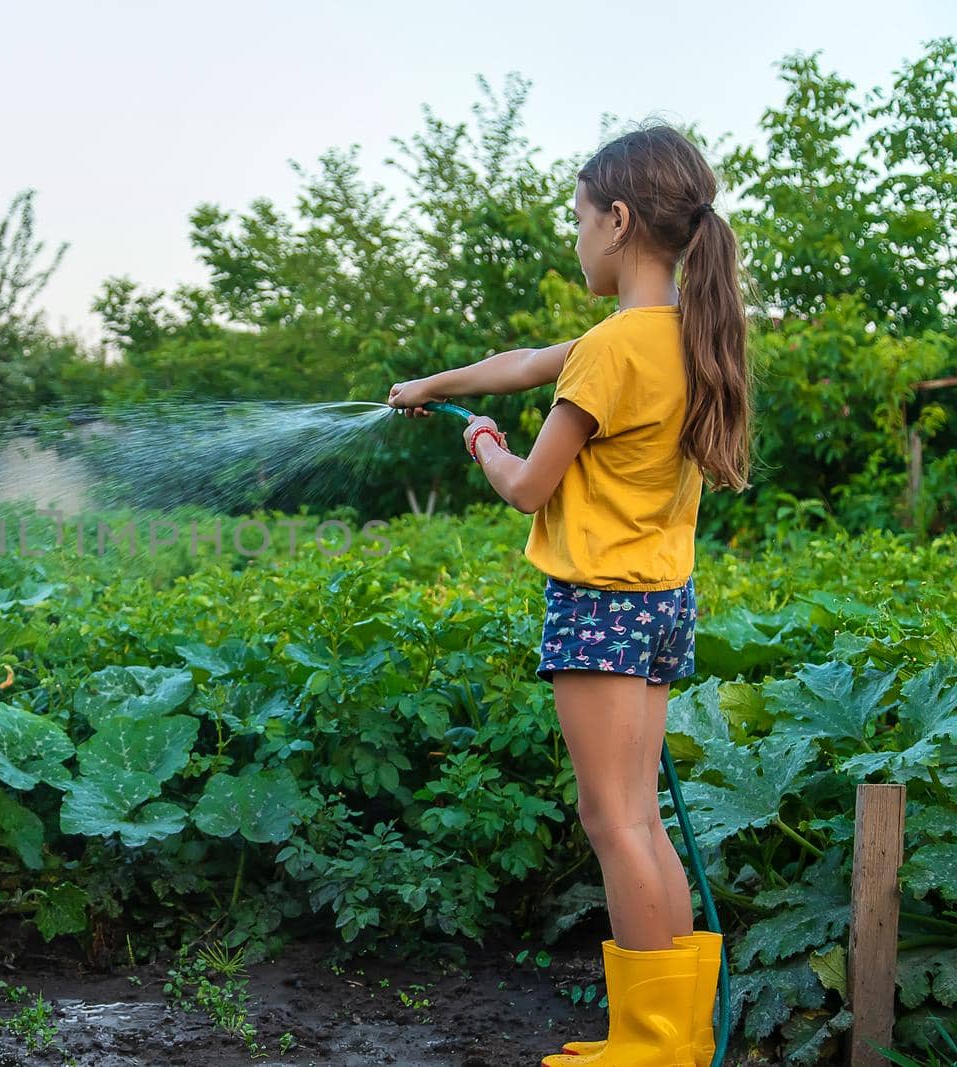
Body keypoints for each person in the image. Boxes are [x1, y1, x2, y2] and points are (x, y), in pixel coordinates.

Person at [387, 124, 750, 1067]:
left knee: (613, 821)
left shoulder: (610, 349)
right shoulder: (677, 334)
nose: (575, 237)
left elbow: (529, 486)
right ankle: (673, 1036)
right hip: (663, 602)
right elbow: (524, 361)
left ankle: (649, 1043)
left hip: (598, 603)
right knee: (640, 819)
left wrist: (480, 444)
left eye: (580, 220)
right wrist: (433, 385)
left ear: (618, 220)